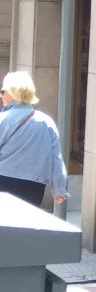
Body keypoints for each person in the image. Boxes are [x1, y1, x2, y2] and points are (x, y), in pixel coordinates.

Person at [0, 71, 67, 210]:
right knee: (25, 222)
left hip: (3, 180)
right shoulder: (46, 122)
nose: (1, 95)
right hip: (33, 187)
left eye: (2, 91)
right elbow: (56, 158)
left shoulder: (3, 120)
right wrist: (59, 189)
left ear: (12, 93)